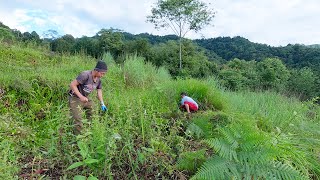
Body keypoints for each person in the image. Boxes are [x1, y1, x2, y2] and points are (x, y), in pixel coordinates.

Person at [68, 60, 108, 135]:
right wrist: (81, 97)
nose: (102, 75)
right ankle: (78, 138)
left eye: (104, 74)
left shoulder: (98, 79)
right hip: (75, 98)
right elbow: (72, 84)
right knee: (78, 119)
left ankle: (89, 130)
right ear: (96, 70)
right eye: (102, 73)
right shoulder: (85, 75)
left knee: (94, 111)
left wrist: (102, 103)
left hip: (85, 98)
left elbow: (99, 91)